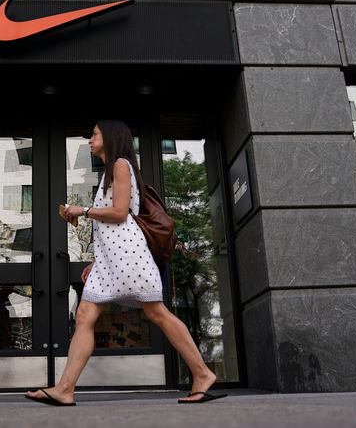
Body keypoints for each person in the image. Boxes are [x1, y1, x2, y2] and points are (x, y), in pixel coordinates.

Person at [26, 120, 226, 406]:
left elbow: (120, 213)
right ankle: (65, 388)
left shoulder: (121, 165)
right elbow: (111, 227)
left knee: (158, 314)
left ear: (109, 137)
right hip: (112, 259)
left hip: (129, 256)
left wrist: (81, 210)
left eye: (94, 134)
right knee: (85, 316)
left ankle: (203, 373)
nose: (90, 139)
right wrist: (99, 261)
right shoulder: (111, 171)